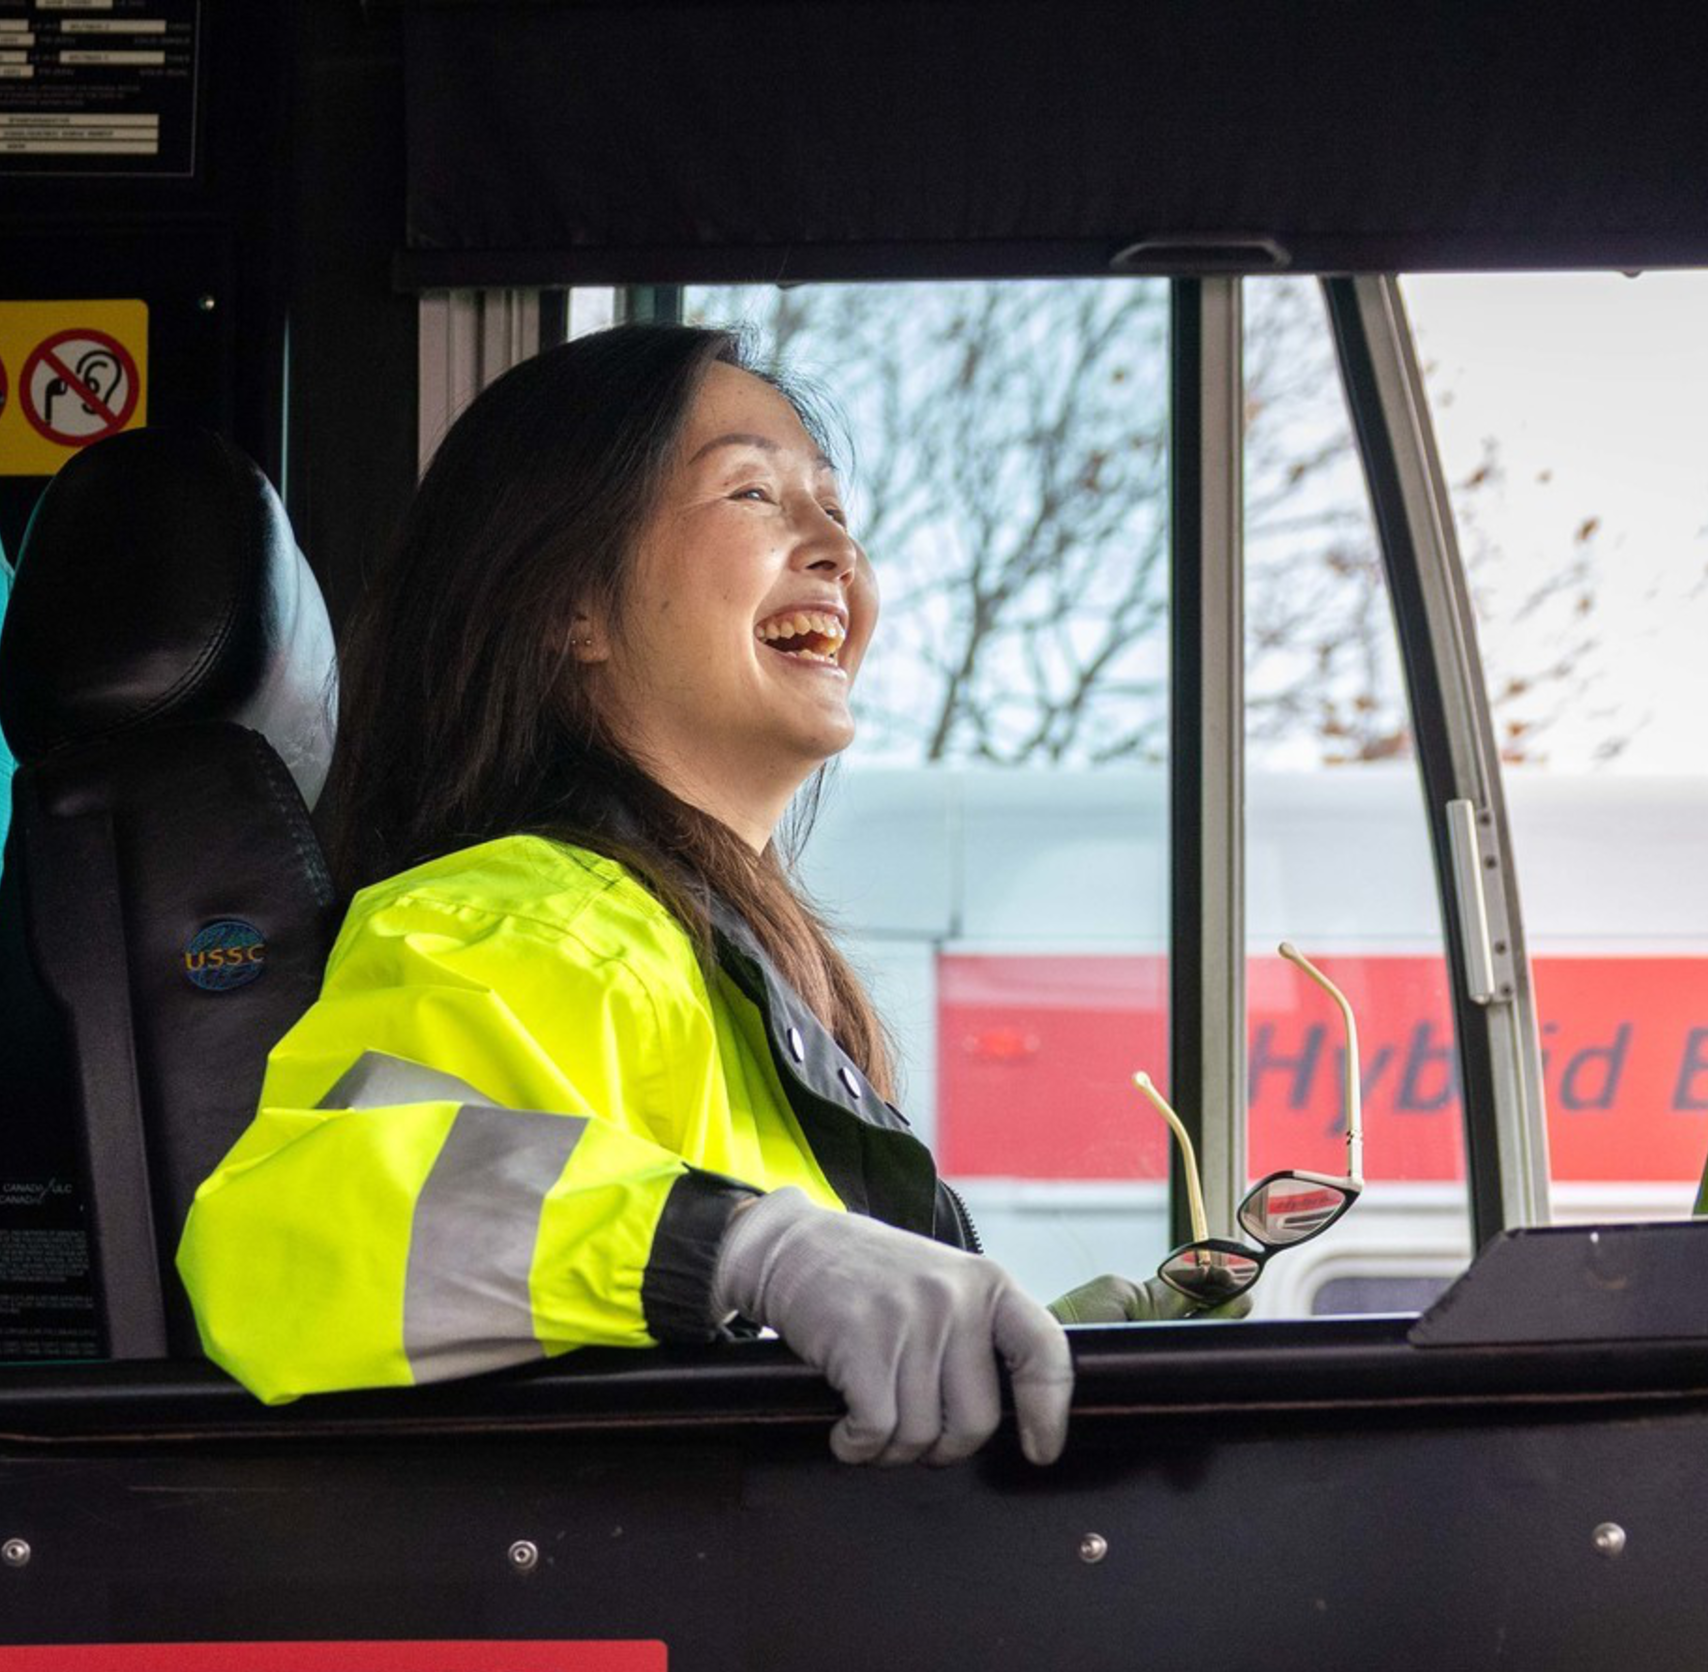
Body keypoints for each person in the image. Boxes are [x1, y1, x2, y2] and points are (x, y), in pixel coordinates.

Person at [178, 323, 1105, 1465]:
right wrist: (745, 1248)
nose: (835, 551)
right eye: (756, 493)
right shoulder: (531, 916)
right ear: (573, 601)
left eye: (839, 509)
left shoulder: (709, 968)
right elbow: (292, 1227)